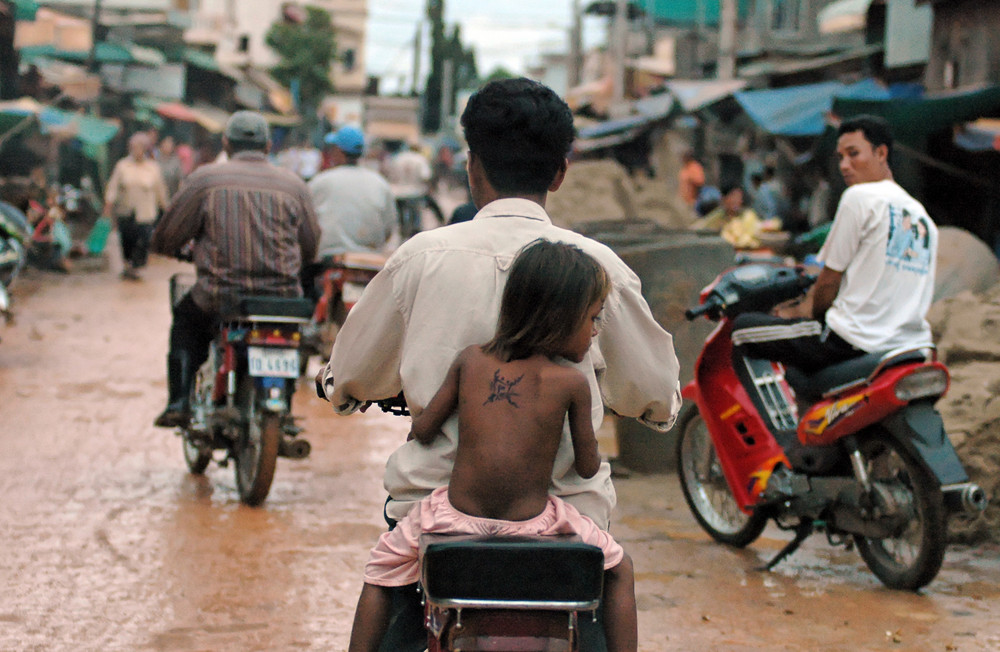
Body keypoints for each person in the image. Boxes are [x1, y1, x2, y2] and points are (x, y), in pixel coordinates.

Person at [320, 77, 681, 648]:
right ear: (560, 173)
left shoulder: (419, 259)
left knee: (384, 585)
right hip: (564, 530)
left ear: (471, 166)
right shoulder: (598, 268)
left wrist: (343, 390)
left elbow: (353, 377)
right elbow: (655, 396)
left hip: (437, 523)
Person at [348, 240, 637, 652]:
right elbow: (587, 468)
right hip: (535, 524)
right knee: (620, 569)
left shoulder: (470, 361)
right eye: (592, 319)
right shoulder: (571, 382)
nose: (594, 331)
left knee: (379, 574)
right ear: (560, 317)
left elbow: (425, 431)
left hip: (450, 519)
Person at [150, 111, 320, 428]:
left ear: (226, 143)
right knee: (289, 338)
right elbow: (311, 246)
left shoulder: (205, 179)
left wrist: (168, 247)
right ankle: (283, 406)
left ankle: (179, 401)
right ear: (268, 146)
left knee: (186, 321)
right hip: (282, 297)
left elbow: (167, 235)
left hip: (219, 294)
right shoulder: (294, 185)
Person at [730, 114, 938, 372]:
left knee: (741, 329)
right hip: (913, 346)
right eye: (840, 157)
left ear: (881, 153)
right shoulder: (923, 217)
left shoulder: (859, 197)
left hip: (852, 341)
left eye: (853, 154)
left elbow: (829, 281)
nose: (844, 165)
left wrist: (808, 312)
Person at [307, 126, 397, 260]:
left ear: (338, 151)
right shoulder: (380, 183)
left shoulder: (320, 181)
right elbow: (389, 229)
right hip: (369, 261)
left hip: (328, 260)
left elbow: (305, 223)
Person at [103, 132, 168, 280]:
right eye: (134, 147)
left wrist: (166, 209)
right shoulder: (122, 166)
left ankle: (136, 266)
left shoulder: (153, 168)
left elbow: (160, 191)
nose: (136, 151)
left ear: (145, 149)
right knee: (127, 240)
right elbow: (113, 187)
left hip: (146, 213)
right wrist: (108, 204)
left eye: (140, 147)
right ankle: (128, 266)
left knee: (144, 239)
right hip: (126, 211)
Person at [690, 182, 771, 249]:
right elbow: (700, 226)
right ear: (724, 199)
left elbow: (752, 237)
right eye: (733, 197)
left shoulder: (748, 216)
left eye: (739, 197)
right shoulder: (719, 215)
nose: (736, 201)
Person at [383, 138, 432, 238]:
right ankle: (414, 236)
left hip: (399, 193)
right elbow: (425, 176)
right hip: (415, 193)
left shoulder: (398, 158)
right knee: (415, 218)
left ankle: (402, 235)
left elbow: (391, 175)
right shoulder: (420, 159)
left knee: (401, 217)